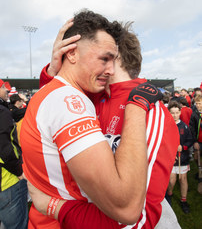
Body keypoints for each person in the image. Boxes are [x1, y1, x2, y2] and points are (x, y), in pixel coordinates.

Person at [29, 18, 180, 228]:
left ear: (115, 56)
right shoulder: (91, 98)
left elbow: (138, 218)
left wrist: (57, 208)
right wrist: (55, 71)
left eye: (105, 56)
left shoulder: (150, 110)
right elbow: (54, 110)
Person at [0, 79, 28, 229]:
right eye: (3, 87)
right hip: (8, 181)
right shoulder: (2, 111)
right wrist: (19, 171)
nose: (6, 90)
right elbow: (5, 149)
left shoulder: (5, 109)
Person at [167, 101, 193, 213]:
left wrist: (183, 147)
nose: (175, 115)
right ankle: (169, 195)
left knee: (183, 179)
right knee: (172, 180)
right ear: (169, 113)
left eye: (177, 112)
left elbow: (190, 140)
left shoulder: (185, 126)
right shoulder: (166, 126)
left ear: (180, 112)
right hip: (171, 158)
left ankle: (183, 200)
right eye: (172, 113)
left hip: (183, 158)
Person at [189, 95, 202, 194]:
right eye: (196, 103)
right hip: (198, 141)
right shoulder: (194, 114)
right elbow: (192, 128)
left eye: (199, 103)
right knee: (197, 158)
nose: (197, 105)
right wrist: (195, 141)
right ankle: (199, 171)